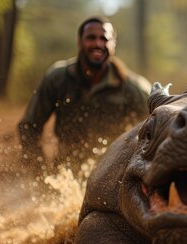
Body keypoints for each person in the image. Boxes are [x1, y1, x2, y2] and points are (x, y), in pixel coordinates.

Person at [18, 16, 151, 173]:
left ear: (113, 44)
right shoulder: (58, 79)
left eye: (104, 38)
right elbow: (29, 127)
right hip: (65, 174)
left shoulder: (135, 88)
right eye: (91, 38)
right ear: (79, 42)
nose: (97, 44)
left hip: (112, 176)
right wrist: (40, 175)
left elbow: (154, 134)